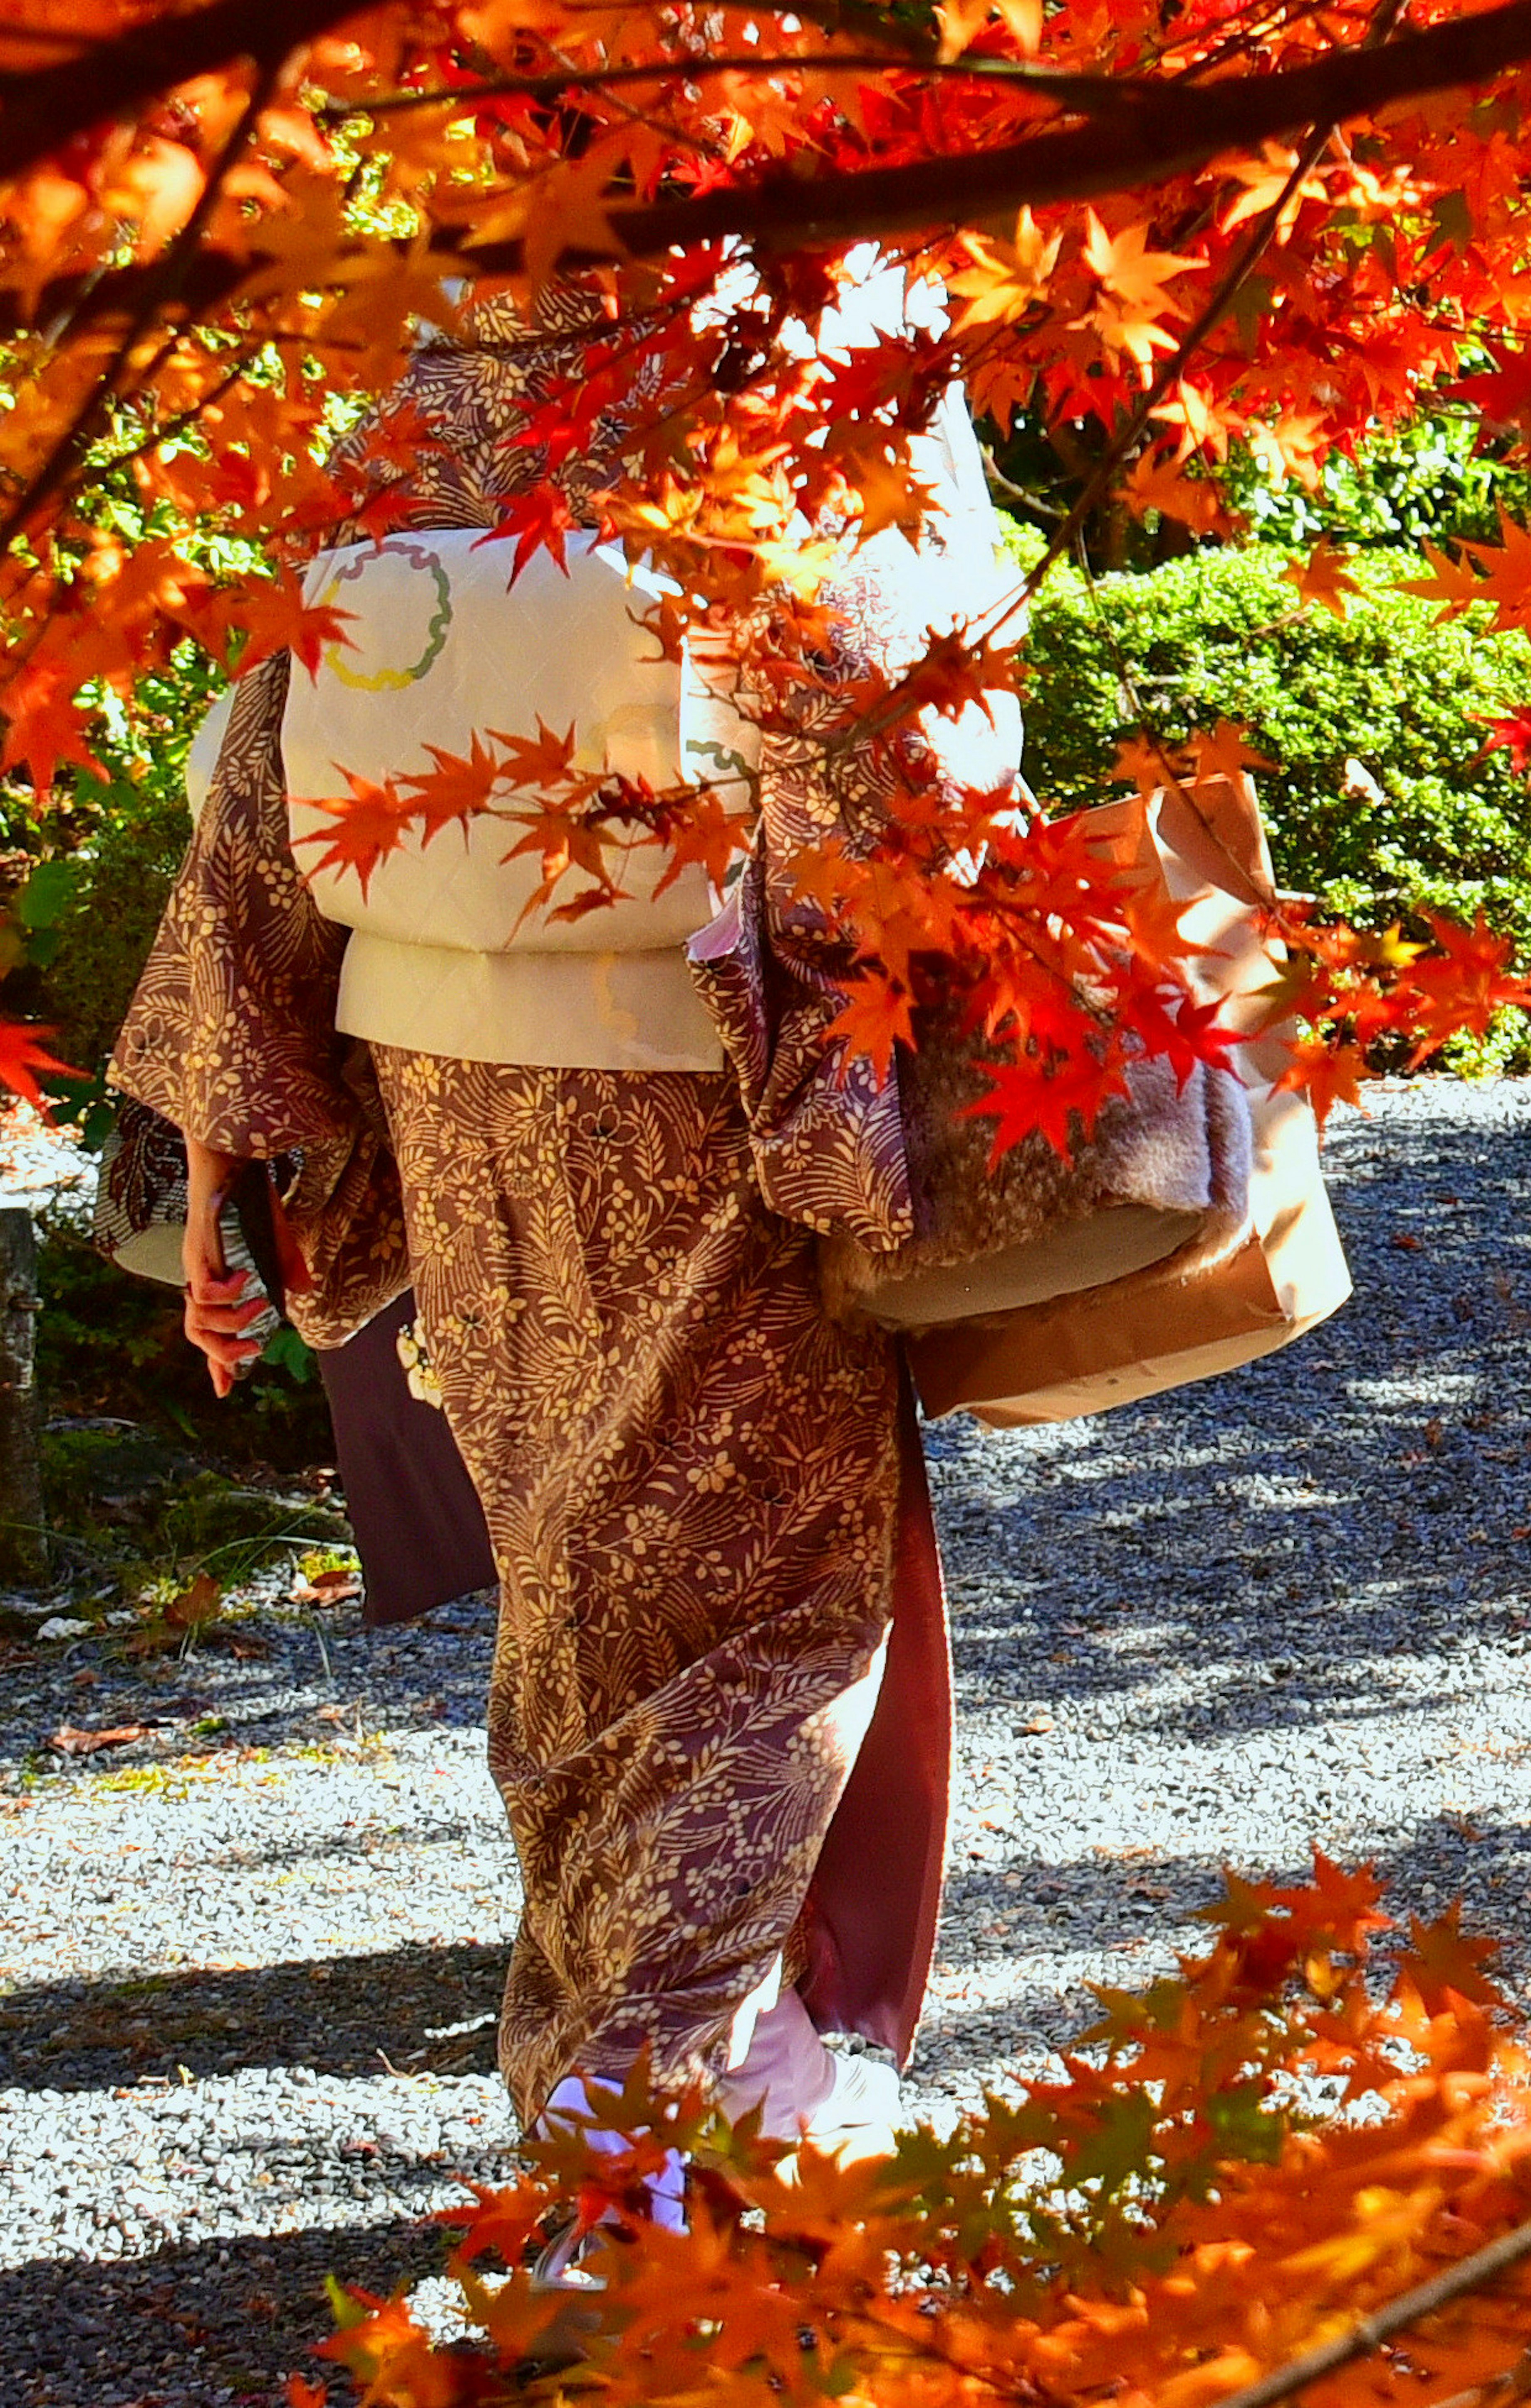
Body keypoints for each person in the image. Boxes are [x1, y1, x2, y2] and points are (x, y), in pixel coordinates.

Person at [111, 265, 1021, 2162]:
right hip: (712, 1066)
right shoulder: (795, 315)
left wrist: (221, 1173)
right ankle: (642, 2138)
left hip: (451, 1084)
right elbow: (919, 711)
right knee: (767, 1605)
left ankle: (657, 2081)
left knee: (581, 1595)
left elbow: (262, 781)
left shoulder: (411, 364)